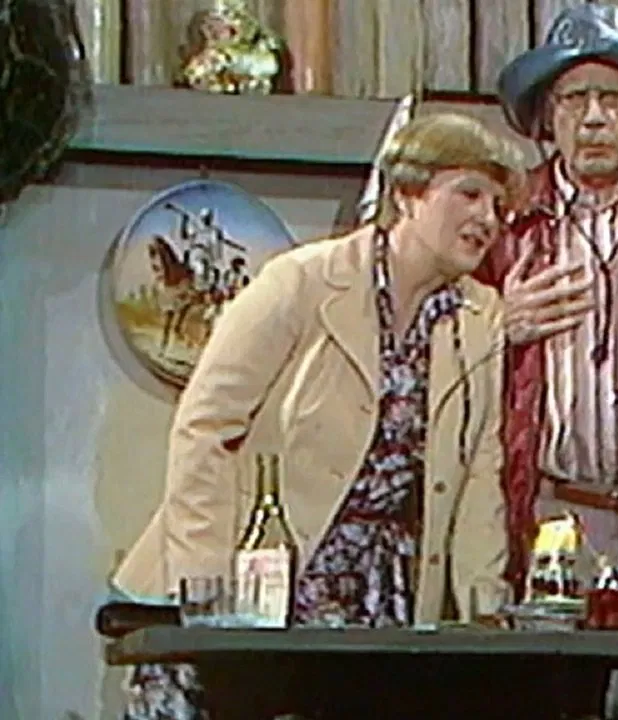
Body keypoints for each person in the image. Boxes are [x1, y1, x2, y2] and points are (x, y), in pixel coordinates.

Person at [111, 112, 525, 719]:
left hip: (379, 601)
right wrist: (206, 590)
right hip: (256, 579)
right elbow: (208, 426)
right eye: (469, 194)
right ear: (407, 195)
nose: (487, 218)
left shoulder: (479, 318)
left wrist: (481, 609)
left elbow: (479, 474)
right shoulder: (301, 282)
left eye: (497, 206)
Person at [477, 1, 618, 586]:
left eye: (612, 98)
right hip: (551, 512)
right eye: (574, 99)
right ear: (549, 115)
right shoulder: (507, 221)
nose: (593, 118)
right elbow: (439, 349)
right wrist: (496, 323)